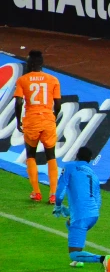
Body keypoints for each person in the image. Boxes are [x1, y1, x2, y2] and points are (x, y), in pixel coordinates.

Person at [14, 50, 62, 203]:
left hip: (31, 121)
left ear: (31, 63)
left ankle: (36, 192)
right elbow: (58, 104)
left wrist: (18, 121)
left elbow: (19, 102)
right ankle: (53, 194)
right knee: (51, 156)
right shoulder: (53, 79)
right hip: (48, 120)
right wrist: (52, 116)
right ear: (42, 63)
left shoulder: (23, 80)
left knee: (31, 155)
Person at [53, 146, 106, 268]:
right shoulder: (94, 175)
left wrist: (58, 205)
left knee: (74, 254)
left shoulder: (70, 168)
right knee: (70, 223)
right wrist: (72, 212)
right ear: (90, 159)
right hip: (93, 215)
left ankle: (104, 259)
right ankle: (79, 260)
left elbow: (61, 190)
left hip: (82, 216)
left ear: (76, 155)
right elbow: (98, 199)